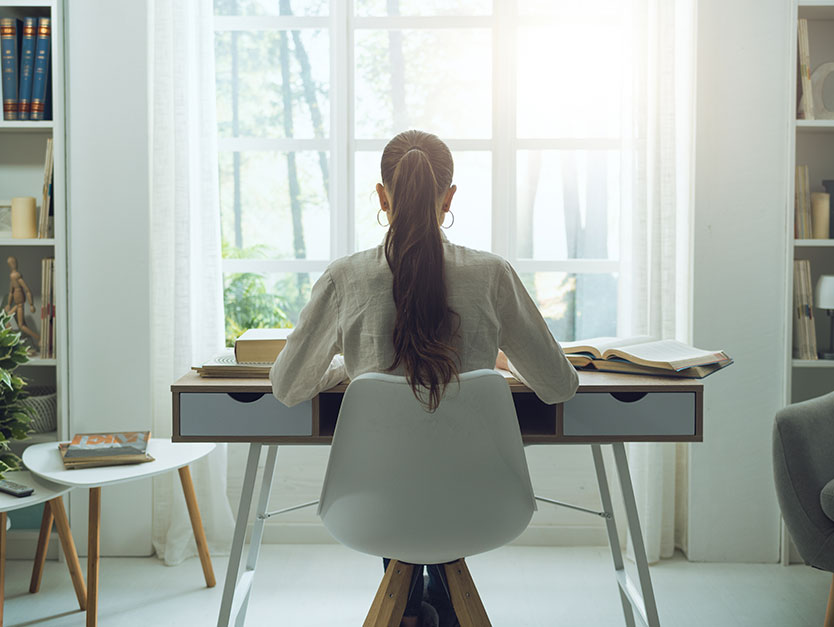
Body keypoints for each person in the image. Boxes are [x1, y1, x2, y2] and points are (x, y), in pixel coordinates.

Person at [270, 129, 578, 627]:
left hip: (374, 508)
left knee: (404, 486)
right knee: (444, 481)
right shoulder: (492, 274)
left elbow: (286, 386)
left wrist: (353, 367)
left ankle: (410, 604)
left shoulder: (346, 278)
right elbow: (560, 386)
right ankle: (433, 599)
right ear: (449, 197)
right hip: (480, 503)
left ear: (382, 195)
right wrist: (495, 359)